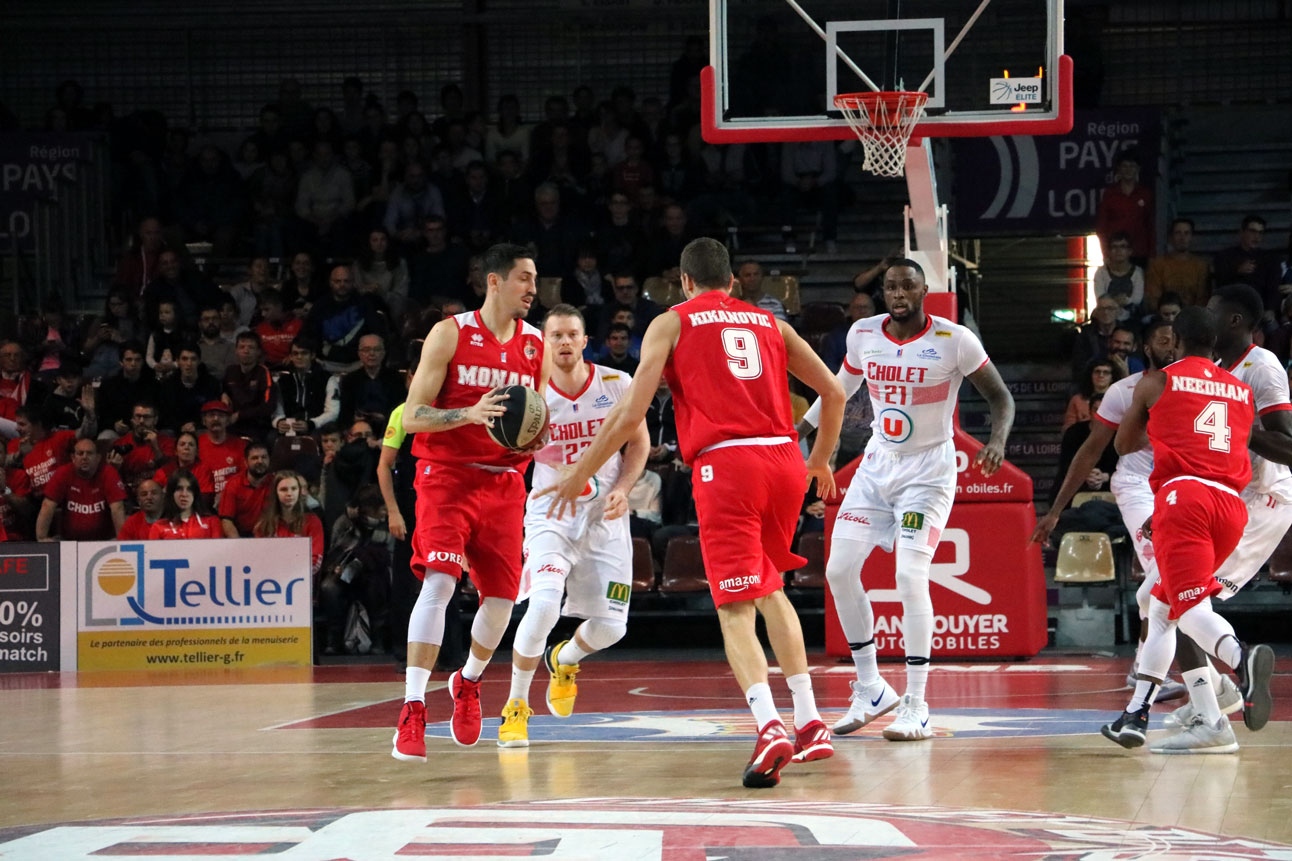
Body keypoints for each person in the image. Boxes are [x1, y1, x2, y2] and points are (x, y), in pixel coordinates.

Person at [540, 237, 845, 788]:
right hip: (782, 460)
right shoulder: (768, 323)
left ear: (683, 282)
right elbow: (834, 391)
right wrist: (820, 460)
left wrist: (584, 471)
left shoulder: (671, 322)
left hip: (727, 465)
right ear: (731, 282)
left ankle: (768, 725)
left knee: (733, 607)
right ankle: (810, 721)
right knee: (771, 588)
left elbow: (633, 409)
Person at [803, 258, 1015, 742]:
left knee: (908, 573)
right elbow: (839, 392)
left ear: (924, 291)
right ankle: (872, 686)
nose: (898, 293)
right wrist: (798, 432)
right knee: (838, 568)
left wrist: (997, 441)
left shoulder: (954, 340)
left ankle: (917, 703)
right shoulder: (863, 334)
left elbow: (1001, 398)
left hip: (929, 472)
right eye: (891, 286)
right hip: (878, 465)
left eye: (907, 286)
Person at [391, 243, 548, 763]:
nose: (532, 288)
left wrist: (533, 442)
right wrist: (469, 414)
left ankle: (468, 681)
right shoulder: (450, 333)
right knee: (440, 579)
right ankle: (413, 707)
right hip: (447, 477)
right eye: (524, 278)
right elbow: (412, 415)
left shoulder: (535, 344)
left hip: (504, 483)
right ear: (494, 281)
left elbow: (537, 420)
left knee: (502, 601)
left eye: (535, 279)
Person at [1100, 305, 1274, 751]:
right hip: (1233, 507)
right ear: (1215, 343)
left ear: (1174, 341)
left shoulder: (1157, 381)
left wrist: (1160, 425)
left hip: (1186, 497)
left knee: (1186, 605)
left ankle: (1241, 658)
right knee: (1156, 605)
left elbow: (1122, 444)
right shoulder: (1239, 389)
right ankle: (1135, 715)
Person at [1148, 284, 1292, 752]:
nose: (1204, 316)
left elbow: (1287, 445)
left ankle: (1215, 715)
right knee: (1163, 596)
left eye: (1213, 310)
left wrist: (1239, 433)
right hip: (1218, 497)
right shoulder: (1215, 373)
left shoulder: (1262, 366)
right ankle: (1218, 694)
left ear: (1233, 321)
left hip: (1262, 499)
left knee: (1171, 602)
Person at [498, 304, 650, 747]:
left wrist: (623, 486)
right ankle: (516, 706)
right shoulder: (529, 393)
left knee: (612, 629)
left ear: (585, 341)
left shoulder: (616, 384)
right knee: (543, 607)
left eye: (571, 335)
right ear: (543, 343)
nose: (564, 342)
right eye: (555, 336)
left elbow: (638, 445)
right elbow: (506, 455)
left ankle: (564, 658)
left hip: (604, 517)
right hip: (551, 516)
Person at [1031, 318, 1188, 701]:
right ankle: (1159, 672)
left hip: (1182, 488)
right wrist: (1055, 510)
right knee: (1162, 573)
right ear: (1147, 349)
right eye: (1164, 341)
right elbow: (1090, 450)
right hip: (1137, 489)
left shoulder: (1194, 385)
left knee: (1164, 583)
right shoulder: (1125, 391)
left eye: (1176, 341)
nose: (1172, 347)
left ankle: (1144, 665)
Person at [36, 438, 127, 541]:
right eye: (80, 453)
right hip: (69, 541)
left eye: (89, 453)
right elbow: (47, 506)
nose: (84, 457)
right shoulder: (63, 473)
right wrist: (41, 538)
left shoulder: (109, 473)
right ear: (73, 458)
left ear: (98, 458)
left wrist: (121, 541)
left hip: (104, 541)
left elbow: (117, 508)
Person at [254, 470, 324, 576]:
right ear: (275, 493)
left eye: (294, 489)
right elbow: (259, 560)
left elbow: (315, 560)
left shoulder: (313, 522)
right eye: (283, 489)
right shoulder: (264, 525)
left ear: (299, 491)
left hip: (301, 582)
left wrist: (287, 572)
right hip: (270, 581)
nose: (289, 493)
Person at [219, 441, 274, 538]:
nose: (260, 461)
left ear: (269, 460)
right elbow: (226, 521)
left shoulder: (276, 483)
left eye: (264, 457)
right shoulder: (233, 484)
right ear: (245, 462)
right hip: (240, 535)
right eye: (255, 458)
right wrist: (240, 546)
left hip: (268, 535)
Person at [149, 469, 222, 540]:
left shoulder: (212, 522)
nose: (184, 494)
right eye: (179, 489)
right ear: (171, 493)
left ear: (195, 494)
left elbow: (217, 551)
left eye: (189, 489)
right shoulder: (158, 527)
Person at [1063, 359, 1121, 432]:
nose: (1101, 375)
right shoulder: (1077, 400)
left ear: (1112, 377)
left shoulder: (1120, 400)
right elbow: (1068, 428)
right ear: (1091, 375)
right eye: (1097, 372)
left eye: (1106, 372)